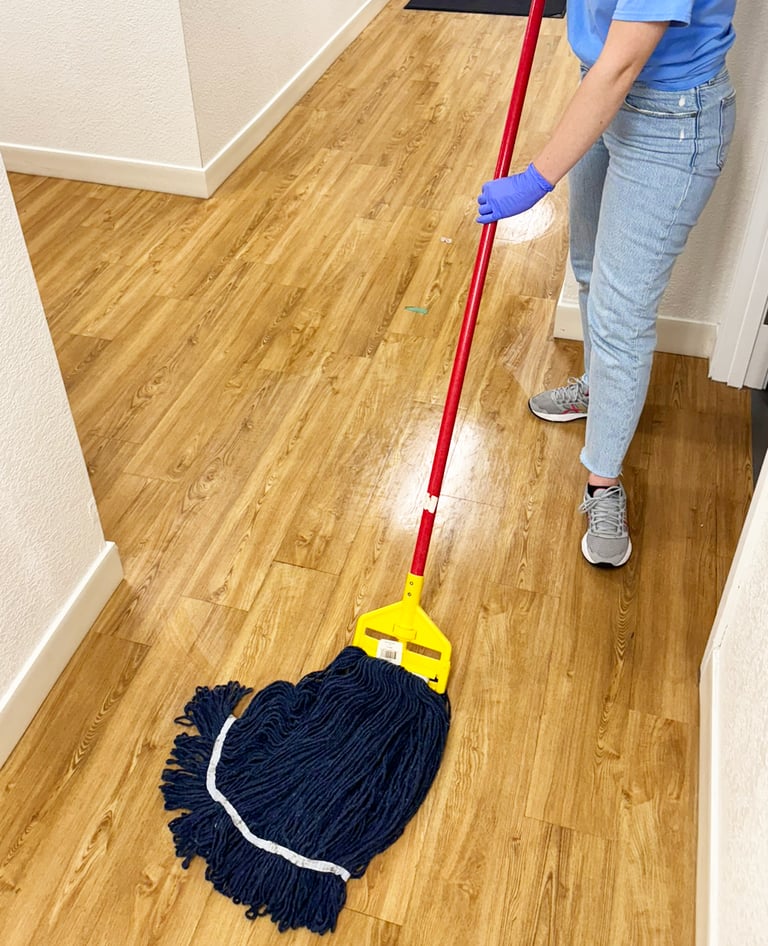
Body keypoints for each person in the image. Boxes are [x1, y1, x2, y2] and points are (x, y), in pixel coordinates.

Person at [476, 1, 736, 567]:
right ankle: (598, 387)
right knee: (591, 269)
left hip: (670, 117)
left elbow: (623, 62)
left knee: (622, 314)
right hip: (599, 88)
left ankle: (603, 483)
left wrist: (534, 179)